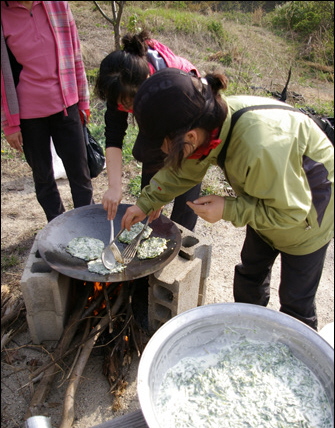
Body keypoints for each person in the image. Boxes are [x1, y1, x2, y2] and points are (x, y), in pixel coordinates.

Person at [121, 68, 334, 331]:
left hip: (308, 216)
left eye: (164, 146)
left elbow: (291, 213)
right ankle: (247, 332)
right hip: (269, 197)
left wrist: (229, 208)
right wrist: (147, 202)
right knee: (250, 275)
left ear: (189, 137)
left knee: (295, 301)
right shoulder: (210, 125)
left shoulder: (258, 149)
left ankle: (298, 356)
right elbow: (186, 169)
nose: (164, 154)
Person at [94, 30, 202, 231]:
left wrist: (162, 194)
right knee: (149, 185)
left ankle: (183, 237)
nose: (125, 110)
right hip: (154, 109)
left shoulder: (175, 90)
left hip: (187, 118)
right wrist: (115, 186)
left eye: (128, 105)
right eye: (121, 105)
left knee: (186, 185)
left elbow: (186, 152)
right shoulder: (120, 84)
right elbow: (114, 137)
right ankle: (147, 231)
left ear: (145, 84)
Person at [1, 0, 93, 222]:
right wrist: (9, 123)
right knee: (43, 177)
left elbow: (75, 54)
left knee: (80, 173)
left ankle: (86, 223)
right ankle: (57, 225)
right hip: (27, 113)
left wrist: (83, 101)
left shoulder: (57, 5)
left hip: (65, 103)